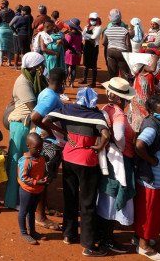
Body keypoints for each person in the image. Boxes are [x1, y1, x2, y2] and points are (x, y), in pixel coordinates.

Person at [48, 87, 111, 257]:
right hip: (87, 161)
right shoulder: (96, 115)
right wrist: (99, 146)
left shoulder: (67, 109)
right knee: (88, 203)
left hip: (68, 158)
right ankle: (88, 244)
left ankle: (69, 234)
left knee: (70, 197)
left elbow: (45, 120)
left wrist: (64, 133)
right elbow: (105, 133)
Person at [96, 78, 137, 254]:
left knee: (107, 195)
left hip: (107, 158)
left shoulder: (106, 108)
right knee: (113, 197)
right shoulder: (119, 114)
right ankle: (107, 239)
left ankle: (103, 236)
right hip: (119, 160)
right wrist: (120, 147)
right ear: (122, 98)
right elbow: (119, 135)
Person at [133, 95, 160, 261]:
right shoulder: (153, 127)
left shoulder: (158, 124)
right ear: (152, 112)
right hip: (152, 180)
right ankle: (144, 245)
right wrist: (152, 160)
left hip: (153, 179)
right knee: (150, 212)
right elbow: (139, 145)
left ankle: (140, 238)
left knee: (146, 210)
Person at [5, 52, 46, 210]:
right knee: (18, 162)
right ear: (35, 67)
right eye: (41, 65)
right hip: (21, 125)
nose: (43, 68)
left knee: (23, 164)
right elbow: (33, 108)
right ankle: (12, 200)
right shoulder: (23, 82)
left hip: (26, 125)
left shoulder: (32, 78)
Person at [30, 67, 66, 231]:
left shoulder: (46, 92)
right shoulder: (51, 97)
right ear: (61, 82)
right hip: (49, 144)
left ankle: (44, 208)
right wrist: (52, 131)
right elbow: (35, 117)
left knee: (44, 178)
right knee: (43, 179)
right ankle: (41, 217)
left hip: (46, 140)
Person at [17, 132, 48, 245]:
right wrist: (37, 181)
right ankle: (24, 232)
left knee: (32, 211)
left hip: (37, 190)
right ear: (28, 145)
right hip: (27, 191)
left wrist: (45, 177)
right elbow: (23, 177)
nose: (39, 150)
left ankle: (33, 231)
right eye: (36, 147)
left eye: (41, 147)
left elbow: (42, 171)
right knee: (24, 211)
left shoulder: (41, 158)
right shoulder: (26, 161)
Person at [103, 8, 131, 80]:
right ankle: (124, 89)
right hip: (122, 52)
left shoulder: (107, 30)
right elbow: (128, 44)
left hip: (110, 52)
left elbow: (104, 42)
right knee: (124, 73)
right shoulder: (125, 30)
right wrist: (129, 55)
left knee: (112, 74)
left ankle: (113, 90)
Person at [81, 12, 103, 87]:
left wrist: (86, 35)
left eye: (94, 19)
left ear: (97, 20)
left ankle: (93, 82)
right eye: (91, 19)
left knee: (93, 65)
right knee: (86, 64)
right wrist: (86, 33)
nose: (92, 21)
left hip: (94, 47)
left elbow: (94, 37)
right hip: (87, 47)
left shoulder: (99, 27)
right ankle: (84, 79)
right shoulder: (87, 26)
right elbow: (82, 35)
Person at [0, 0, 15, 67]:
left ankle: (1, 62)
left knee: (1, 47)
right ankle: (9, 62)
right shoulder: (12, 12)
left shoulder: (0, 13)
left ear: (3, 5)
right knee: (9, 47)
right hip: (10, 30)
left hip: (1, 30)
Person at [63, 19, 83, 86]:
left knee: (66, 68)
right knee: (74, 68)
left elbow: (66, 43)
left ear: (71, 27)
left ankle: (65, 82)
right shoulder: (80, 34)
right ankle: (72, 83)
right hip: (77, 53)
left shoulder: (69, 34)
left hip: (69, 53)